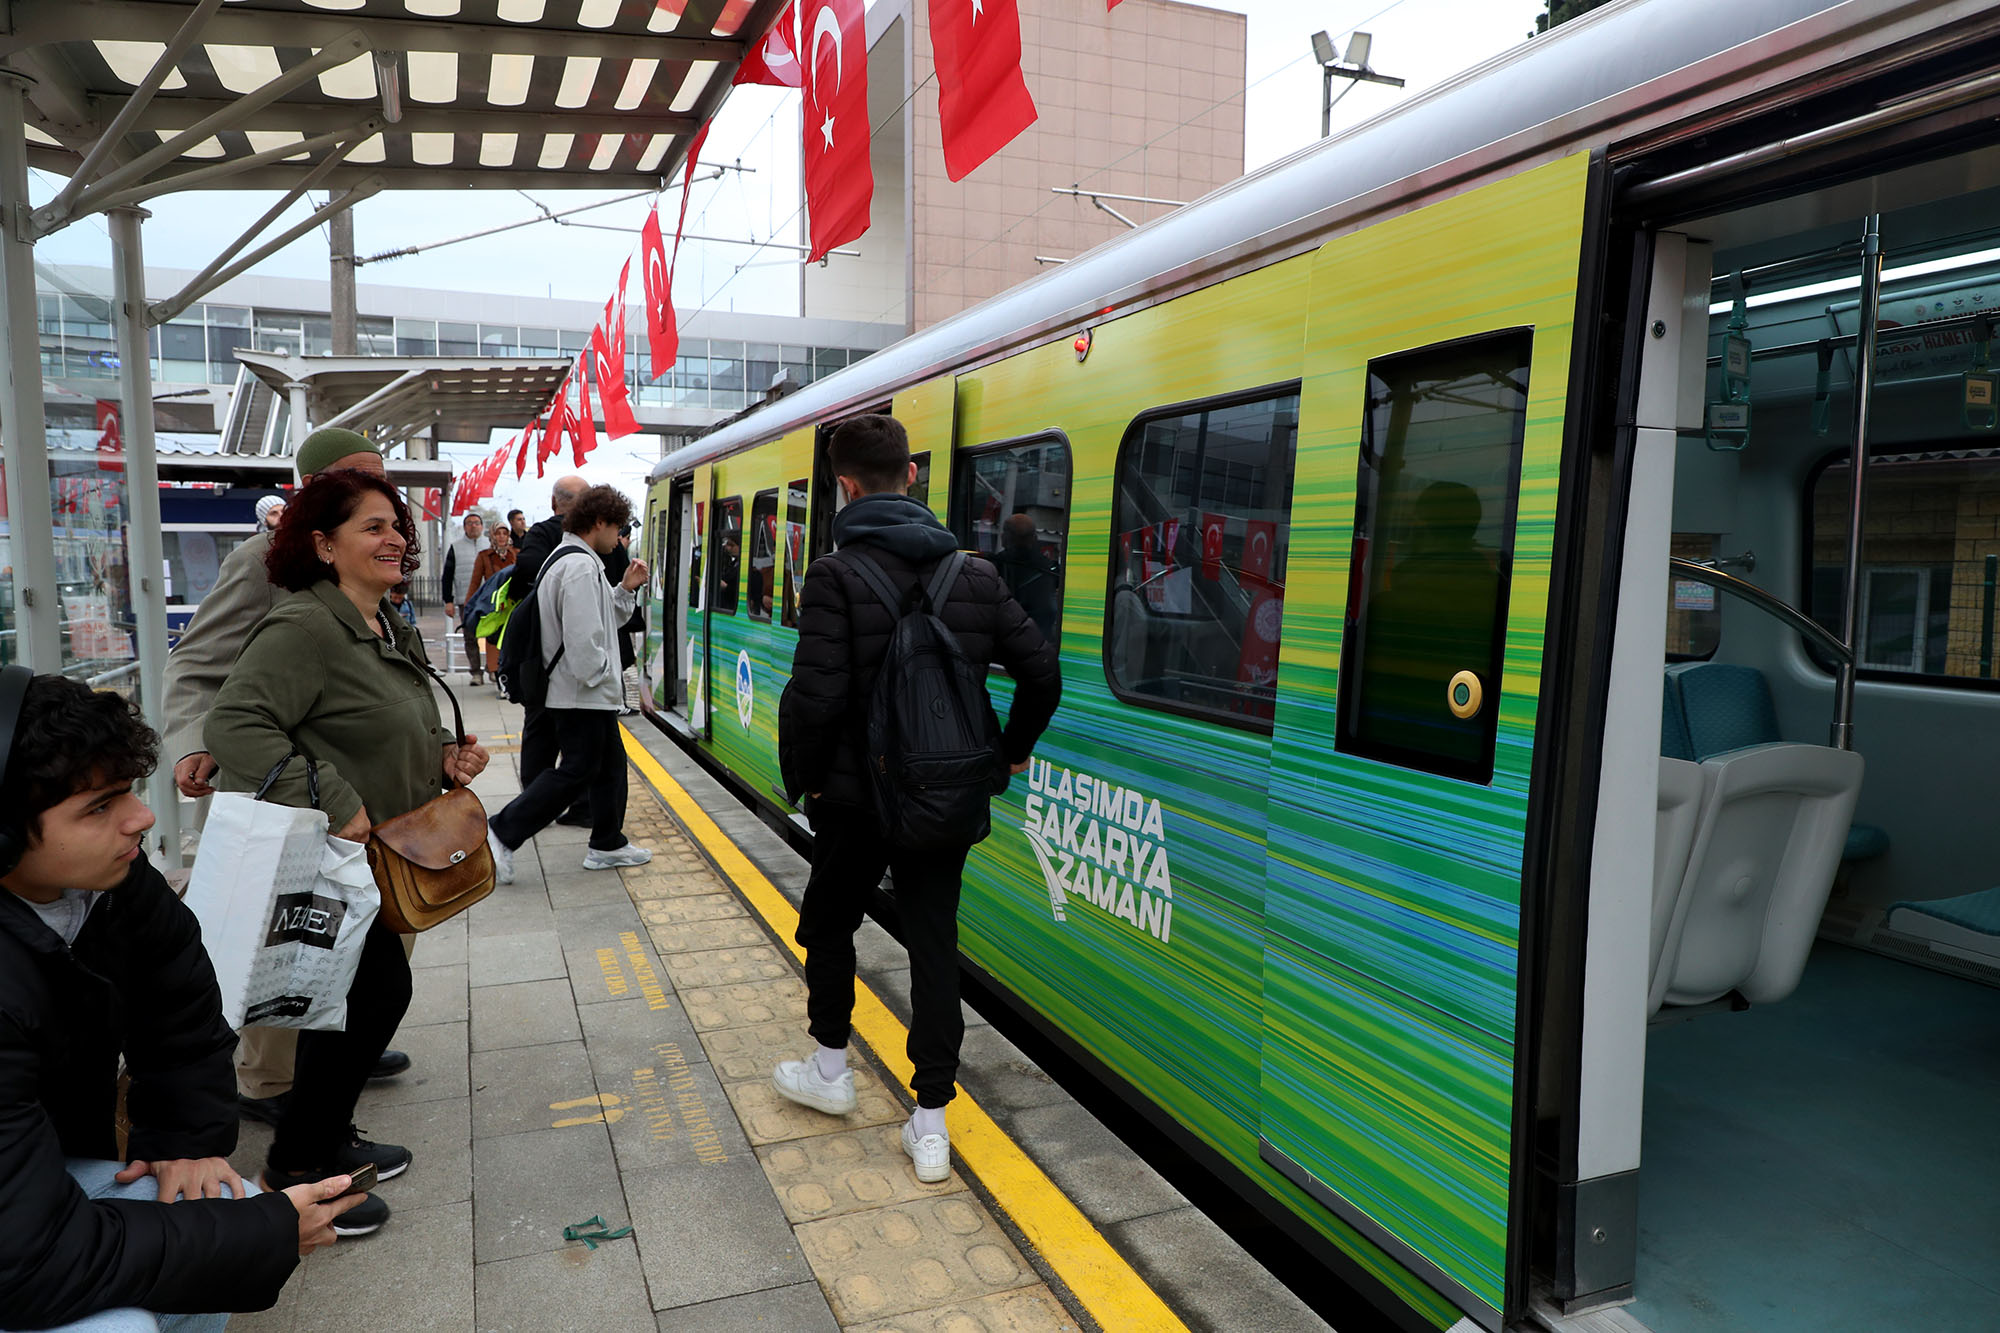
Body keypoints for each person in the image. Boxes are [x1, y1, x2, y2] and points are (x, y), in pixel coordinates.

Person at [0, 672, 365, 1330]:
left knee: (219, 1196)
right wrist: (267, 1229)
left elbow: (179, 995)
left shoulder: (107, 880)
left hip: (31, 1186)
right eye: (99, 806)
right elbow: (30, 1262)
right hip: (21, 1240)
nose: (142, 816)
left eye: (130, 791)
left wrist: (183, 1141)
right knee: (125, 1320)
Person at [774, 415, 1061, 1183]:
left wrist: (801, 777)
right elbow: (1041, 676)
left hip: (851, 799)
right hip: (942, 800)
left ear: (845, 485)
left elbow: (815, 697)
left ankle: (831, 1071)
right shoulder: (974, 574)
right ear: (910, 476)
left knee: (828, 923)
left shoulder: (834, 576)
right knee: (934, 944)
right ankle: (930, 1123)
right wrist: (1005, 753)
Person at [205, 470, 490, 1237]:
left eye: (396, 523)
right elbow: (235, 725)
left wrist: (442, 756)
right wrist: (332, 795)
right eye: (372, 525)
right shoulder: (304, 626)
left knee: (362, 998)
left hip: (376, 855)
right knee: (363, 999)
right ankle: (296, 1168)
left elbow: (371, 718)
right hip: (328, 857)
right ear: (323, 544)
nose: (395, 535)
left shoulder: (377, 621)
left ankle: (325, 1139)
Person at [160, 428, 411, 1125]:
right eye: (357, 483)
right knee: (293, 937)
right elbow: (199, 660)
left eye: (383, 485)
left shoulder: (374, 564)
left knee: (367, 940)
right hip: (288, 793)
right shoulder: (262, 562)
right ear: (315, 489)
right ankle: (268, 1080)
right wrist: (188, 741)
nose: (380, 500)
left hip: (365, 800)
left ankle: (343, 1044)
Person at [485, 486, 654, 880]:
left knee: (609, 766)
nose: (620, 536)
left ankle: (607, 842)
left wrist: (625, 589)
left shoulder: (575, 560)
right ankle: (502, 831)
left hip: (583, 692)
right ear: (599, 522)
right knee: (577, 771)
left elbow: (598, 617)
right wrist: (605, 678)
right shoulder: (578, 566)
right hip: (581, 693)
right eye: (618, 526)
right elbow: (582, 643)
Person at [508, 476, 593, 823]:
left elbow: (523, 570)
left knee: (542, 733)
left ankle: (535, 805)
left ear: (555, 502)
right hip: (584, 666)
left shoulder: (541, 535)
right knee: (584, 744)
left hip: (546, 659)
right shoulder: (595, 541)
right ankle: (583, 810)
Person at [988, 513, 1060, 641]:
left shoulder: (995, 566)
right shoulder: (1049, 568)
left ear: (1004, 538)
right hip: (1042, 639)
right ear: (1035, 538)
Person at [442, 511, 487, 685]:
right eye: (469, 523)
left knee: (493, 636)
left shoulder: (490, 544)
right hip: (465, 599)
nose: (473, 526)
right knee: (470, 636)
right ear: (464, 526)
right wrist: (449, 601)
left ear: (482, 526)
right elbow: (447, 576)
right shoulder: (456, 547)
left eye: (476, 522)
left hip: (489, 599)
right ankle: (476, 672)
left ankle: (492, 669)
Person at [466, 527, 517, 678]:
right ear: (492, 535)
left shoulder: (516, 554)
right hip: (492, 602)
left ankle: (507, 668)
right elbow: (475, 582)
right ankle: (494, 670)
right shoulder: (484, 556)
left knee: (511, 635)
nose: (501, 537)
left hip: (511, 602)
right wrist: (469, 605)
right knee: (493, 635)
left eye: (505, 533)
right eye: (498, 533)